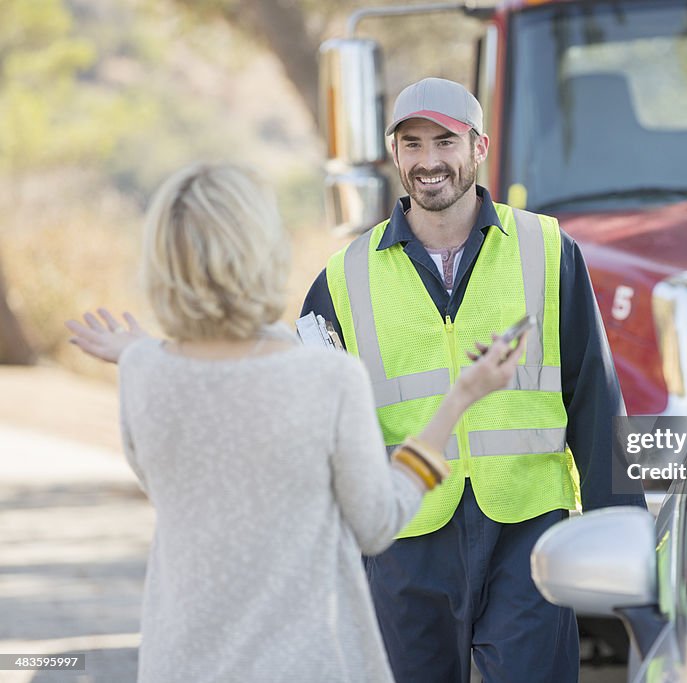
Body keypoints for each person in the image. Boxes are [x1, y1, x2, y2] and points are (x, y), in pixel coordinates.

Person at [66, 162, 525, 683]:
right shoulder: (327, 379)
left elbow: (205, 413)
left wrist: (143, 350)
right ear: (262, 252)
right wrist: (458, 399)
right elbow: (377, 523)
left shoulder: (143, 373)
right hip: (306, 664)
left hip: (181, 664)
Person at [299, 77, 646, 683]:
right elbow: (312, 423)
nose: (429, 161)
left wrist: (622, 536)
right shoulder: (342, 278)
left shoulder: (547, 249)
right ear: (395, 156)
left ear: (479, 147)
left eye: (445, 141)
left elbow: (594, 397)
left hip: (527, 529)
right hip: (404, 538)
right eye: (412, 144)